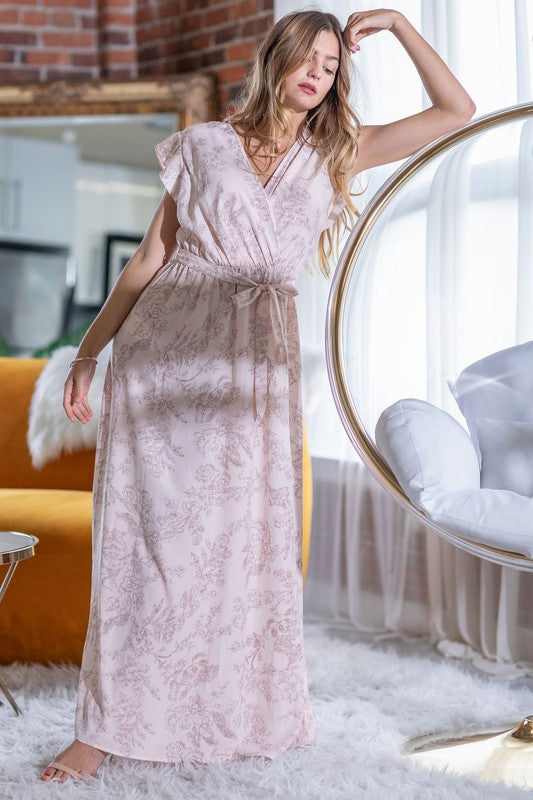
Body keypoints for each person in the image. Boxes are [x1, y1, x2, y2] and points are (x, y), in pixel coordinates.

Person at [39, 7, 475, 782]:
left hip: (254, 365)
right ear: (275, 58)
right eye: (306, 57)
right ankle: (102, 726)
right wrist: (86, 355)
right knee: (146, 545)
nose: (316, 72)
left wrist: (404, 26)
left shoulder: (338, 151)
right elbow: (149, 258)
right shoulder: (204, 145)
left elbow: (456, 112)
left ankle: (224, 710)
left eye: (332, 65)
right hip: (166, 351)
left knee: (238, 544)